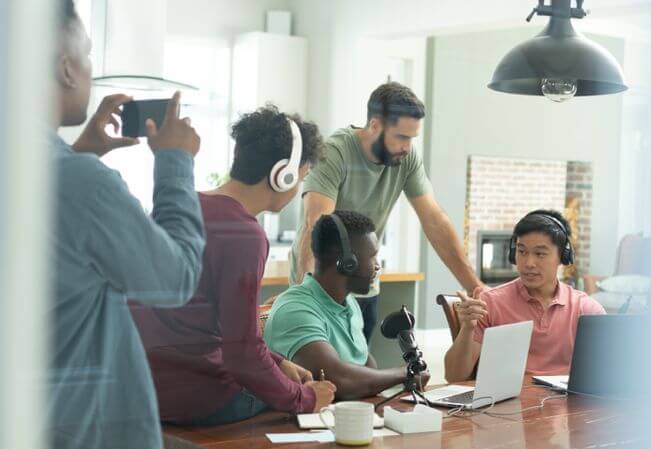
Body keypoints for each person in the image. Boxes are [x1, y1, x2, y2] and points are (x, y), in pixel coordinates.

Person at [49, 2, 205, 448]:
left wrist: (82, 151)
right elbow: (174, 280)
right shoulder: (84, 184)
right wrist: (175, 161)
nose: (90, 67)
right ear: (66, 69)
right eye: (88, 54)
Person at [132, 104, 337, 425]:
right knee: (310, 415)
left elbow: (205, 324)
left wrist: (276, 360)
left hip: (146, 392)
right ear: (283, 174)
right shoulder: (245, 234)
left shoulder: (179, 205)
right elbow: (241, 355)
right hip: (202, 401)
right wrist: (306, 398)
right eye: (302, 178)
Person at [290, 82, 486, 342]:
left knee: (356, 369)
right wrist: (308, 299)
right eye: (402, 137)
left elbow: (434, 220)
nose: (407, 146)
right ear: (375, 126)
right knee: (318, 375)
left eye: (412, 138)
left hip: (363, 283)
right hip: (322, 285)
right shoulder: (334, 152)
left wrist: (475, 286)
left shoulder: (406, 158)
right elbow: (315, 224)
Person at [266, 211, 430, 399]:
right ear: (347, 263)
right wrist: (405, 373)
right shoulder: (295, 309)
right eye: (373, 257)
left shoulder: (349, 303)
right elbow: (339, 381)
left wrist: (402, 378)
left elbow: (369, 372)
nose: (377, 266)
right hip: (296, 424)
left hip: (343, 418)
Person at [444, 210, 606, 382]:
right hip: (508, 404)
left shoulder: (586, 309)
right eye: (522, 252)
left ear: (562, 257)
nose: (529, 263)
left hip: (568, 406)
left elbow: (607, 373)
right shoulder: (489, 303)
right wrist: (468, 329)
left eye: (540, 254)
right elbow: (454, 377)